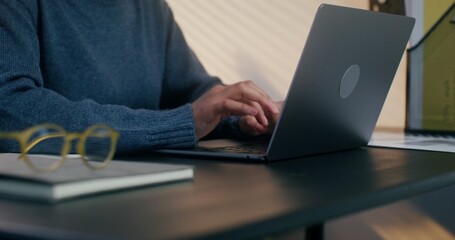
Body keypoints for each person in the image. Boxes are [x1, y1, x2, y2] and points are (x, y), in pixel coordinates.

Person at [0, 0, 281, 153]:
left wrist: (249, 117)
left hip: (145, 190)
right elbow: (10, 110)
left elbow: (196, 95)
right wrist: (181, 123)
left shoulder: (151, 7)